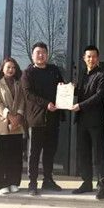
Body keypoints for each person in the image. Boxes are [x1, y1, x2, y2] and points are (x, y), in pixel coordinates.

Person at [21, 42, 64, 196]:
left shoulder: (54, 70)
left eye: (43, 52)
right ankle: (32, 182)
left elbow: (61, 87)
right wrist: (46, 104)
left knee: (50, 151)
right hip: (36, 118)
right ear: (33, 55)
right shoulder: (28, 73)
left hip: (53, 117)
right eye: (38, 52)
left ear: (47, 54)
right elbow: (28, 94)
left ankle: (48, 180)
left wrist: (65, 88)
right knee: (34, 152)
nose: (41, 55)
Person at [70, 45, 104, 200]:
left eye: (94, 56)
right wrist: (66, 89)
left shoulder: (103, 74)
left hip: (95, 120)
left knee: (99, 154)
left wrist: (80, 105)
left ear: (98, 58)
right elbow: (79, 91)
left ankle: (102, 186)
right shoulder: (82, 74)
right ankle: (86, 183)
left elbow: (99, 96)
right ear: (84, 58)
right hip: (81, 120)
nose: (91, 59)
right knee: (84, 153)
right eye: (88, 56)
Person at [0, 57, 26, 195]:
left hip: (17, 124)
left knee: (16, 156)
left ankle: (13, 182)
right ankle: (1, 184)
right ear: (3, 69)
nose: (11, 70)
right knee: (2, 156)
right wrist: (10, 117)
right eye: (8, 67)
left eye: (13, 67)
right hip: (3, 124)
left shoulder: (19, 84)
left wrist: (18, 117)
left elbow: (22, 101)